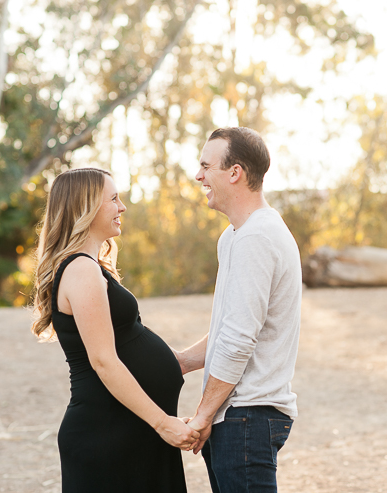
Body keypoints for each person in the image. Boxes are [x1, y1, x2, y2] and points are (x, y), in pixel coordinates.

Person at [30, 168, 199, 492]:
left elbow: (134, 350)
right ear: (86, 207)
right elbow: (104, 361)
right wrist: (163, 423)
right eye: (114, 199)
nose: (122, 207)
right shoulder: (81, 269)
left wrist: (234, 332)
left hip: (129, 429)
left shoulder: (91, 267)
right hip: (107, 434)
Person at [173, 127, 302, 493]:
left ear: (235, 172)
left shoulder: (256, 237)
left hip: (248, 417)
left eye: (206, 166)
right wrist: (180, 362)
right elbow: (230, 327)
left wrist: (203, 414)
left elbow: (239, 339)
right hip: (235, 417)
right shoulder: (234, 236)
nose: (198, 176)